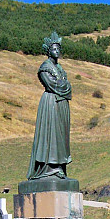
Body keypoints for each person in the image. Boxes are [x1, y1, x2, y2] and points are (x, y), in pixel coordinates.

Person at [26, 31, 72, 181]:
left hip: (62, 105)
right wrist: (64, 86)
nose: (57, 51)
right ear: (48, 51)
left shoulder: (61, 69)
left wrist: (64, 86)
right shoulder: (45, 68)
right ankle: (49, 168)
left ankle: (59, 167)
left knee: (61, 136)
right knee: (51, 135)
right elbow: (53, 85)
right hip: (51, 103)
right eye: (54, 49)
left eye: (59, 49)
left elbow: (67, 87)